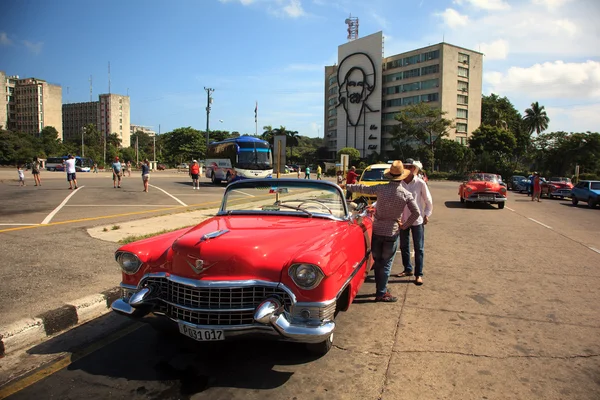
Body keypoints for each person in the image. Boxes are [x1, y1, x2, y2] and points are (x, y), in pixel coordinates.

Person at [342, 160, 420, 302]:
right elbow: (416, 213)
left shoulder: (381, 188)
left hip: (377, 230)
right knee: (386, 264)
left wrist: (345, 186)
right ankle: (381, 292)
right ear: (402, 177)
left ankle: (381, 289)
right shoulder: (406, 194)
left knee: (377, 262)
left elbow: (362, 188)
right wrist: (404, 225)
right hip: (392, 231)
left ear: (390, 175)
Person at [396, 159, 433, 286]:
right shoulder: (399, 182)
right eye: (405, 166)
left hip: (417, 220)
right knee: (404, 246)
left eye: (410, 167)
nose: (407, 168)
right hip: (403, 219)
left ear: (414, 169)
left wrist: (427, 214)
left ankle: (419, 274)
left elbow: (428, 201)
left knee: (419, 248)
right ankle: (407, 269)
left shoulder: (420, 183)